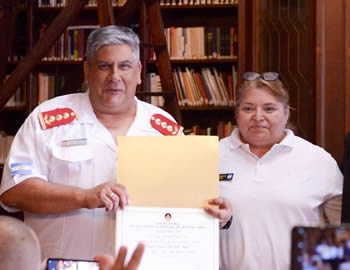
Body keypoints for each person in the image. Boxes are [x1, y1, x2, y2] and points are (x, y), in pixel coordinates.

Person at [0, 25, 231, 260]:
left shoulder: (163, 128)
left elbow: (185, 200)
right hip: (63, 264)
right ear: (87, 70)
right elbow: (14, 192)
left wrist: (214, 214)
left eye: (125, 66)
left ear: (139, 72)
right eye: (104, 66)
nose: (115, 77)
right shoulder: (48, 120)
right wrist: (84, 197)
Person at [218, 72, 343, 270]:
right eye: (248, 108)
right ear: (237, 113)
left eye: (269, 109)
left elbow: (342, 231)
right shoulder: (212, 156)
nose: (258, 117)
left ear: (286, 113)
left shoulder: (318, 160)